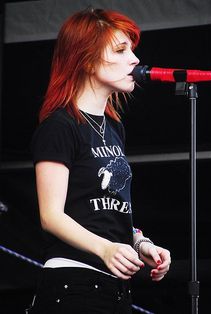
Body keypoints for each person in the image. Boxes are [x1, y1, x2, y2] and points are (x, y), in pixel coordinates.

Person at [29, 8, 171, 314]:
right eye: (120, 50)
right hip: (73, 282)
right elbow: (50, 216)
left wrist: (140, 243)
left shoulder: (113, 127)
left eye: (131, 49)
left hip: (114, 288)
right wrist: (105, 248)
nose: (134, 59)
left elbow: (106, 209)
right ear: (87, 60)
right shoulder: (60, 126)